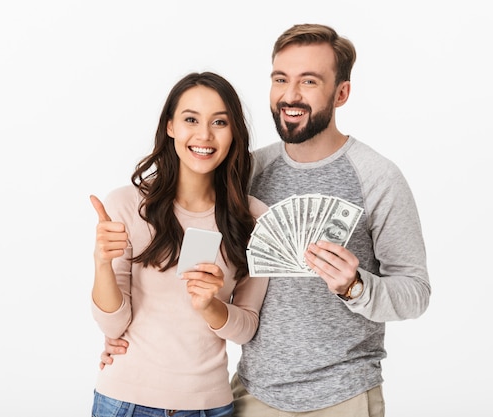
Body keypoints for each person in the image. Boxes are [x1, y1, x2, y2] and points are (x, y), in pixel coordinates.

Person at [101, 24, 431, 417]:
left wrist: (356, 287)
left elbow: (416, 293)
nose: (290, 95)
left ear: (341, 92)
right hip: (253, 395)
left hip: (344, 396)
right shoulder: (246, 172)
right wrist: (124, 339)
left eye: (309, 81)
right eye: (280, 79)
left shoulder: (377, 177)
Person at [89, 71, 269, 417]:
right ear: (170, 126)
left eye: (219, 122)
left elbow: (246, 327)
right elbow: (113, 325)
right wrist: (101, 263)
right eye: (191, 119)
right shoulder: (127, 205)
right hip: (127, 402)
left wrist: (209, 305)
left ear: (234, 133)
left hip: (210, 405)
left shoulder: (254, 218)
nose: (204, 135)